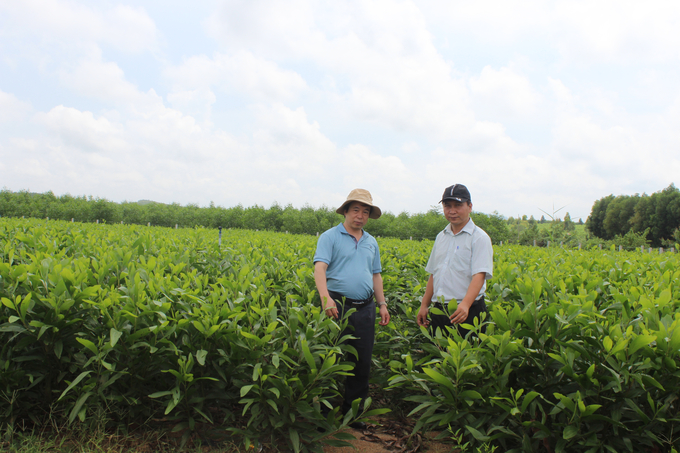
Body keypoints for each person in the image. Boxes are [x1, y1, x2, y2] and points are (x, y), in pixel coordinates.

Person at [313, 188, 390, 429]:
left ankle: (351, 414)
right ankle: (321, 415)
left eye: (365, 212)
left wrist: (382, 304)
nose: (360, 215)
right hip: (337, 306)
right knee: (329, 359)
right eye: (356, 210)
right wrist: (326, 299)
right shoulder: (330, 237)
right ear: (345, 211)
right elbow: (319, 269)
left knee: (361, 363)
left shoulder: (371, 242)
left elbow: (376, 275)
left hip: (366, 308)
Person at [416, 184, 493, 338]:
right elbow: (434, 273)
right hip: (440, 310)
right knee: (439, 357)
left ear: (470, 206)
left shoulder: (479, 238)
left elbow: (479, 276)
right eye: (447, 205)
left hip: (467, 310)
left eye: (458, 205)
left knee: (465, 358)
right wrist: (425, 305)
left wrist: (465, 304)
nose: (452, 211)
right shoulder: (441, 236)